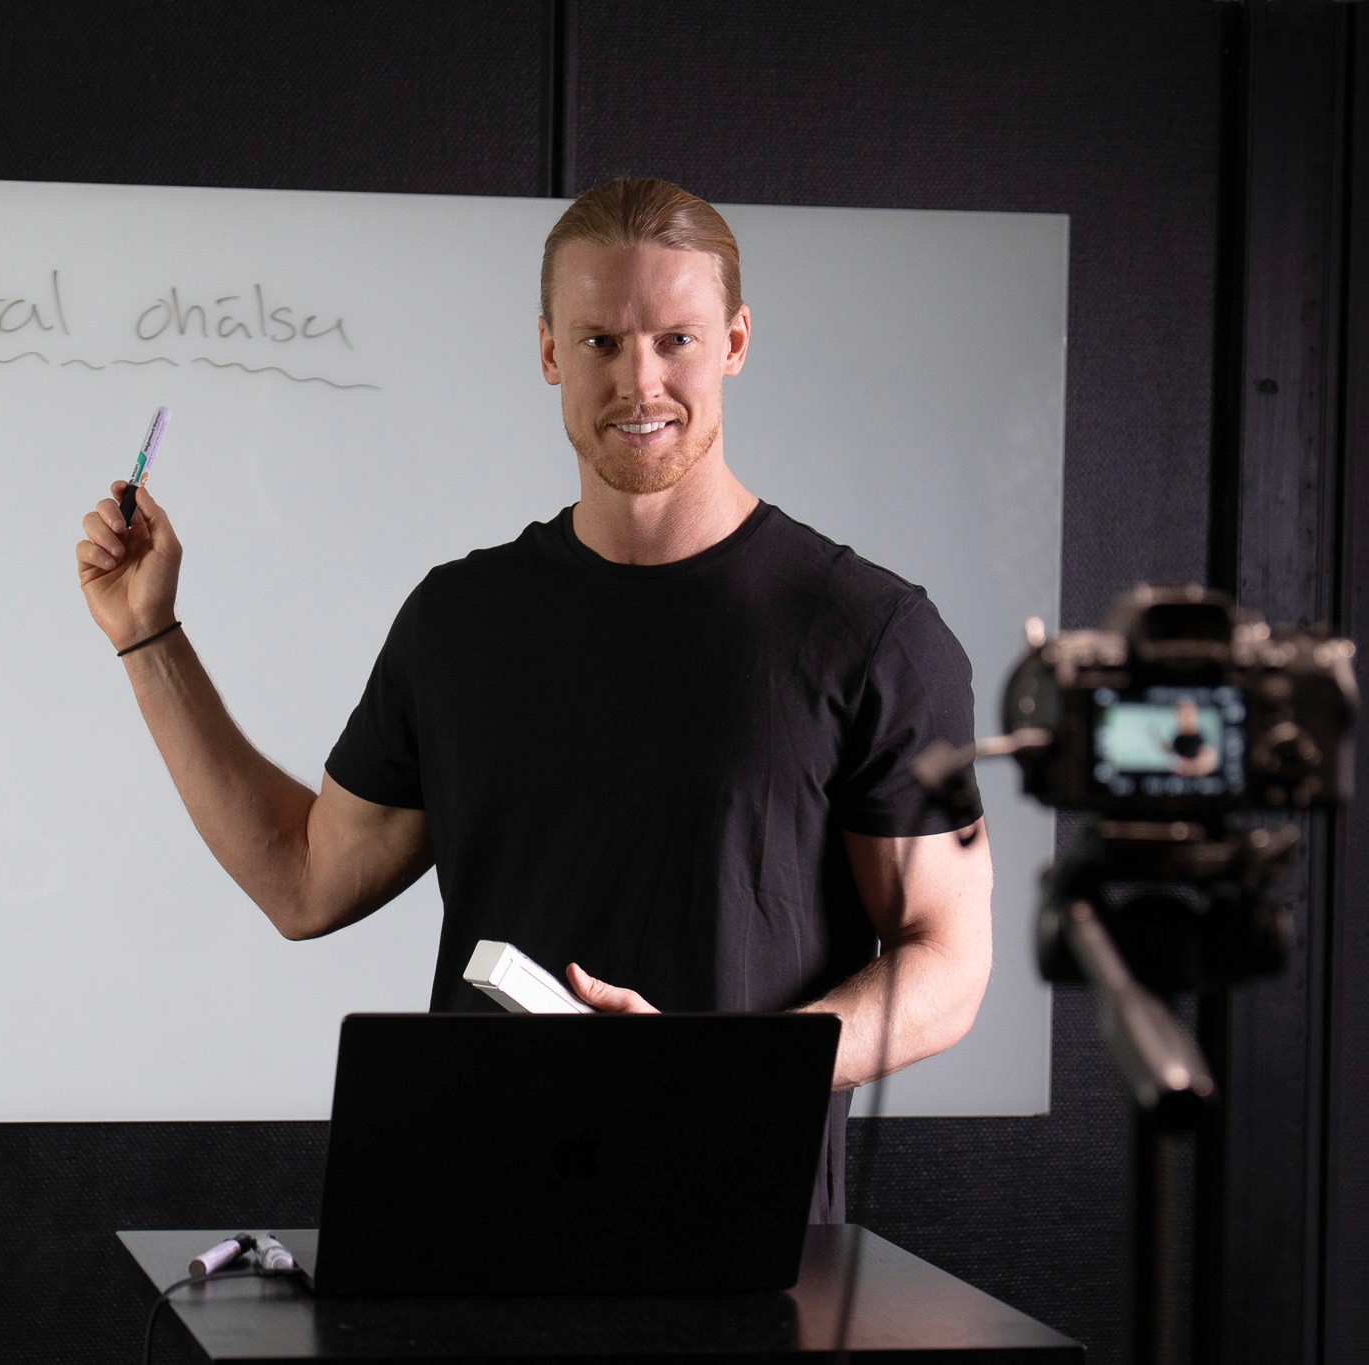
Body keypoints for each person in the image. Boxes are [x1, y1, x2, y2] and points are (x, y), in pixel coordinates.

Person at [74, 177, 993, 1222]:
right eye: (599, 341)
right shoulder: (457, 619)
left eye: (675, 340)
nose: (638, 380)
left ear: (733, 342)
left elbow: (948, 962)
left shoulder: (870, 634)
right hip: (471, 1226)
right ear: (550, 352)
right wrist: (147, 637)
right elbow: (301, 882)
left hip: (740, 1231)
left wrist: (736, 1062)